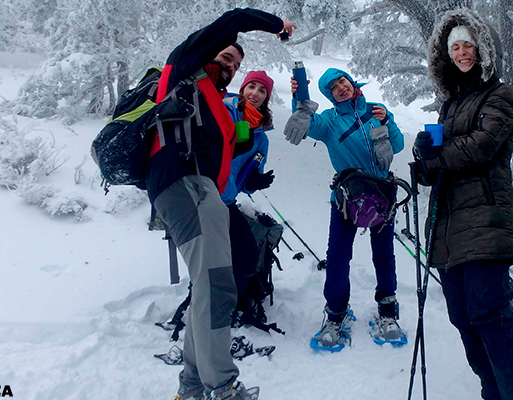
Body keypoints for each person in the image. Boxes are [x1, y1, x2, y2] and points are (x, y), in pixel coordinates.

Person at [144, 8, 294, 400]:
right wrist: (277, 26)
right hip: (185, 183)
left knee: (213, 285)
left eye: (237, 63)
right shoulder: (185, 68)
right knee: (217, 285)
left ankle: (193, 387)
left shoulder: (216, 103)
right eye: (227, 57)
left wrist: (251, 146)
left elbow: (236, 149)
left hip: (204, 189)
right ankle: (222, 385)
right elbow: (234, 18)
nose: (231, 65)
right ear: (209, 52)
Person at [413, 8, 513, 400]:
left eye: (468, 44)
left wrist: (437, 157)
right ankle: (495, 393)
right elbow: (442, 163)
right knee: (464, 319)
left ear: (483, 49)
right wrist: (424, 160)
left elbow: (483, 146)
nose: (462, 53)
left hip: (486, 221)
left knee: (491, 319)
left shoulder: (499, 94)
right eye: (455, 46)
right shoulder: (451, 104)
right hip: (450, 230)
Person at [283, 67, 405, 351]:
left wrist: (388, 122)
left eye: (343, 81)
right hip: (346, 198)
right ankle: (336, 313)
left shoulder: (376, 110)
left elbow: (396, 146)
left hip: (382, 194)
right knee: (338, 256)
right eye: (333, 87)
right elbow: (307, 122)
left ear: (351, 82)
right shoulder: (329, 121)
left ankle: (388, 310)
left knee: (384, 254)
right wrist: (298, 99)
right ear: (329, 95)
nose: (341, 87)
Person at [222, 71, 277, 323]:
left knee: (245, 255)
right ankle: (211, 310)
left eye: (262, 90)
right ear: (242, 89)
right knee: (214, 257)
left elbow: (245, 182)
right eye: (251, 87)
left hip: (227, 200)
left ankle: (230, 306)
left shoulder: (261, 137)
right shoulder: (223, 110)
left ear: (267, 97)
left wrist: (255, 182)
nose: (255, 93)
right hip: (203, 195)